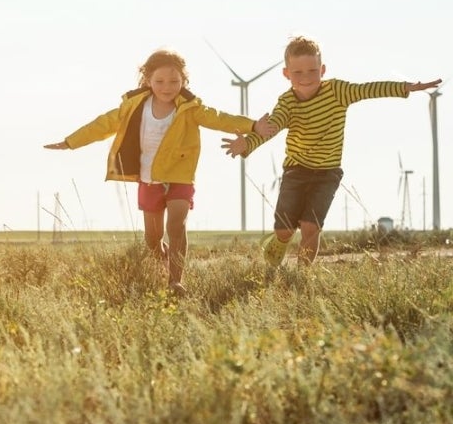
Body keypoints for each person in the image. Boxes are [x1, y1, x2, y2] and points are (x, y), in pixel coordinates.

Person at [44, 48, 276, 296]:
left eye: (175, 81)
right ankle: (163, 260)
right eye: (160, 82)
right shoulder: (133, 106)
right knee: (152, 239)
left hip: (180, 177)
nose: (167, 87)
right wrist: (71, 141)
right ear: (148, 81)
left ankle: (175, 281)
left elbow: (219, 118)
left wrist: (253, 125)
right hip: (149, 180)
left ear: (184, 81)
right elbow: (102, 124)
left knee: (176, 226)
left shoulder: (190, 108)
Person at [221, 35, 441, 268]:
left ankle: (303, 273)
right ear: (286, 74)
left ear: (322, 69)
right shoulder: (287, 102)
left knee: (310, 227)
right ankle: (280, 241)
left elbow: (369, 90)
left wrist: (406, 88)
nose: (306, 78)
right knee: (284, 229)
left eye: (312, 70)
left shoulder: (337, 91)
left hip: (327, 173)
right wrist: (248, 144)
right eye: (298, 73)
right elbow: (272, 126)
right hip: (296, 170)